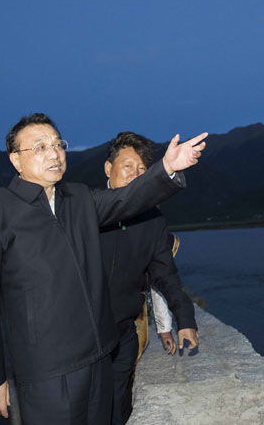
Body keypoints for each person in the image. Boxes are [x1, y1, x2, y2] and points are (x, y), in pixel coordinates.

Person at [0, 113, 206, 424]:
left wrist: (167, 167)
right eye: (39, 147)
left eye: (57, 145)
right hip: (47, 369)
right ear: (15, 160)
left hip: (99, 357)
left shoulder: (78, 198)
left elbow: (127, 198)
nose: (53, 154)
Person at [99, 132, 198, 424]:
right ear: (108, 168)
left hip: (123, 336)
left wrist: (185, 319)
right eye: (128, 166)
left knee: (119, 408)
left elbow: (165, 275)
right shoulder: (85, 210)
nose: (135, 174)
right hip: (84, 338)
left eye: (142, 169)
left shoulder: (153, 221)